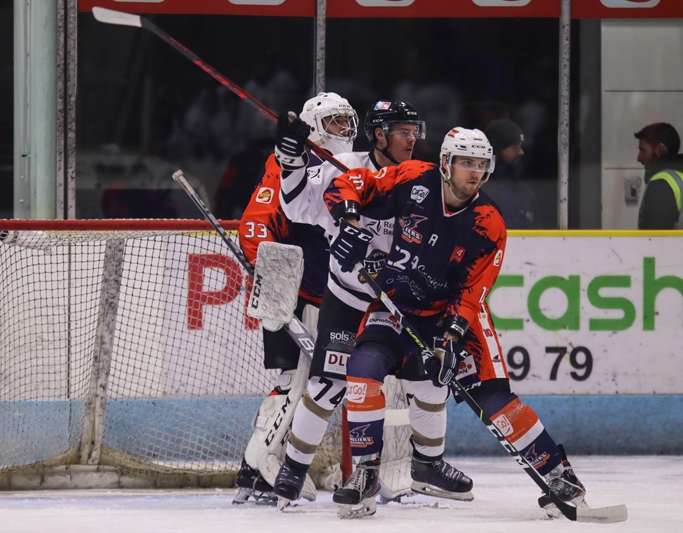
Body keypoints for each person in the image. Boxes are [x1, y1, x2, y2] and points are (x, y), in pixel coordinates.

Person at [322, 127, 588, 518]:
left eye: (481, 164)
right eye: (466, 163)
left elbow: (473, 292)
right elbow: (350, 183)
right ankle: (365, 474)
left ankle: (559, 475)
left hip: (453, 315)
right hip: (398, 304)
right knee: (362, 369)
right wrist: (348, 221)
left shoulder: (488, 223)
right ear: (446, 162)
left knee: (494, 399)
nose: (475, 172)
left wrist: (450, 337)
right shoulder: (413, 178)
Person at [272, 100, 475, 510]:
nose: (412, 137)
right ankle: (294, 466)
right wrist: (290, 160)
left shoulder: (423, 178)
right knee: (329, 383)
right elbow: (295, 205)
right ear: (379, 135)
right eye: (402, 130)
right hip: (350, 296)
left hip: (404, 300)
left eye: (414, 129)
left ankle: (428, 464)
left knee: (428, 379)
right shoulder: (341, 164)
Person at [233, 92, 358, 505]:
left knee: (302, 384)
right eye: (336, 123)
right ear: (317, 127)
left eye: (347, 120)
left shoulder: (350, 165)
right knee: (299, 383)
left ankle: (254, 471)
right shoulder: (290, 163)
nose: (346, 129)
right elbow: (255, 224)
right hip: (296, 295)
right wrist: (275, 288)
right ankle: (260, 465)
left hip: (330, 295)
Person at [482, 118, 540, 229]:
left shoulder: (524, 192)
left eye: (521, 146)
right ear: (498, 149)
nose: (521, 152)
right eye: (514, 146)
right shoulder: (477, 190)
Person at [634, 122, 683, 229]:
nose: (639, 158)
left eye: (643, 150)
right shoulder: (679, 176)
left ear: (660, 150)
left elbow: (653, 240)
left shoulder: (662, 183)